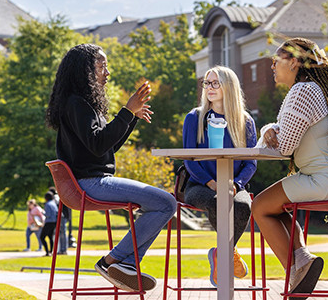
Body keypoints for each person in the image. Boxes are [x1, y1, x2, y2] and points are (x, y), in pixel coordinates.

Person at [46, 43, 177, 292]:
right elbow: (99, 145)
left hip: (93, 182)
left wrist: (132, 118)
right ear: (85, 70)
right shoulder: (77, 104)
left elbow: (107, 148)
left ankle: (125, 265)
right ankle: (113, 262)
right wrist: (127, 111)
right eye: (102, 65)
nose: (108, 71)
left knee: (162, 204)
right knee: (166, 203)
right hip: (90, 184)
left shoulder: (85, 105)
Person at [251, 37, 328, 299]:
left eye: (276, 60)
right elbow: (284, 135)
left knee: (259, 206)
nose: (272, 66)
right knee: (273, 207)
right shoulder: (317, 89)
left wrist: (269, 130)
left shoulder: (302, 91)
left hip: (318, 181)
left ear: (294, 62)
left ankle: (297, 272)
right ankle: (302, 259)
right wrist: (271, 128)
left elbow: (284, 147)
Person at [182, 65, 257, 287]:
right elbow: (189, 161)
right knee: (218, 202)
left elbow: (250, 163)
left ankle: (220, 253)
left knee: (243, 206)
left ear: (229, 86)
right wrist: (212, 183)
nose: (209, 88)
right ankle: (228, 254)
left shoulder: (246, 121)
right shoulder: (194, 118)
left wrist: (237, 183)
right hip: (199, 186)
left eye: (215, 83)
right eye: (207, 83)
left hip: (234, 185)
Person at [40, 191, 58, 256]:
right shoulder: (54, 204)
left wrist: (42, 212)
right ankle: (51, 251)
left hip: (48, 222)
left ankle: (47, 252)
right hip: (54, 222)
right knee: (50, 237)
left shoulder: (47, 204)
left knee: (42, 237)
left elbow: (48, 214)